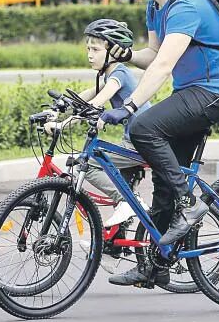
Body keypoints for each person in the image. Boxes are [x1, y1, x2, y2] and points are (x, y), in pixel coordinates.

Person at [98, 0, 219, 287]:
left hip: (217, 91)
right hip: (192, 91)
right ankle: (155, 266)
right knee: (164, 178)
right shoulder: (156, 6)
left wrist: (130, 106)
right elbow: (152, 54)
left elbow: (164, 65)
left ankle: (189, 204)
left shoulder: (187, 5)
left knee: (144, 128)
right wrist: (127, 56)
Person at [45, 19, 150, 227]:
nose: (89, 54)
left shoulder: (119, 74)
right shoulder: (109, 75)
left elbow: (94, 104)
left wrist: (62, 126)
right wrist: (58, 108)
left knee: (89, 163)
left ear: (112, 52)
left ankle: (128, 202)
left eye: (95, 49)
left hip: (141, 142)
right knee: (95, 165)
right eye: (88, 49)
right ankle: (109, 237)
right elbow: (84, 97)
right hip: (134, 139)